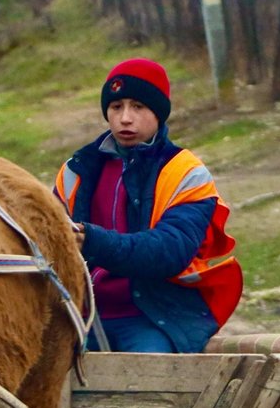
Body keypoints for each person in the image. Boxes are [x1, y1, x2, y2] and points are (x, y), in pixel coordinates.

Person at [53, 58, 243, 353]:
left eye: (138, 107)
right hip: (83, 315)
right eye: (116, 107)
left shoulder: (186, 172)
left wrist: (91, 240)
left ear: (159, 113)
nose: (125, 118)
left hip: (154, 316)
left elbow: (170, 250)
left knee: (148, 387)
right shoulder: (75, 170)